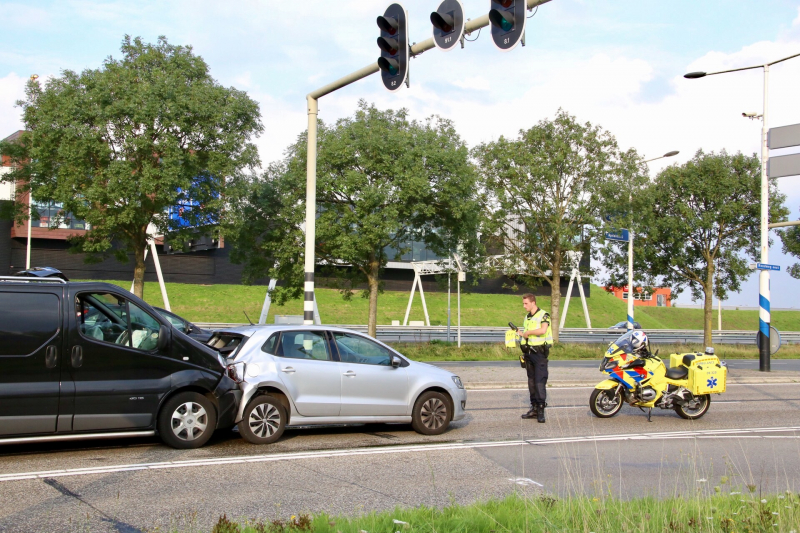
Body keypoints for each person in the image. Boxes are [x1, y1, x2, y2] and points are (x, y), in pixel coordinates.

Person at [519, 293, 553, 422]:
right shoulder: (527, 317)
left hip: (539, 354)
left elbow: (543, 330)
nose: (524, 306)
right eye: (523, 303)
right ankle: (533, 407)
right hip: (529, 353)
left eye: (526, 303)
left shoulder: (543, 315)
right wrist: (521, 334)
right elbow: (527, 336)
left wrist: (528, 332)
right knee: (531, 382)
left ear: (533, 302)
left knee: (539, 382)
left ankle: (540, 410)